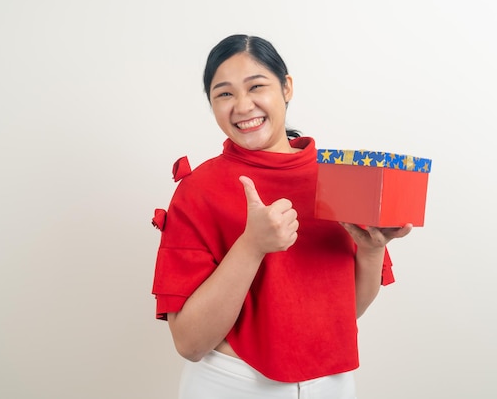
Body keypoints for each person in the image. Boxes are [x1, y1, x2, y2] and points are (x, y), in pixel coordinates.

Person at [151, 34, 412, 399]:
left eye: (256, 86)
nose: (242, 106)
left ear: (286, 87)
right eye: (224, 93)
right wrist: (251, 246)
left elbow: (343, 314)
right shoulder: (199, 190)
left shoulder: (341, 177)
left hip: (332, 384)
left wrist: (370, 252)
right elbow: (190, 343)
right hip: (233, 384)